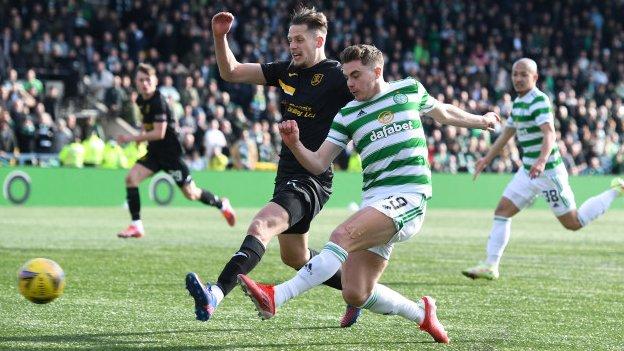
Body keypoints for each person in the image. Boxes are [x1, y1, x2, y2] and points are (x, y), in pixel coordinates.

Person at [236, 44, 500, 344]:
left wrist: (482, 120)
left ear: (377, 71)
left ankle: (276, 296)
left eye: (356, 75)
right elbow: (319, 162)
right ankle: (421, 313)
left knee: (340, 236)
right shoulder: (348, 114)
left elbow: (444, 113)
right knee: (355, 291)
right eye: (347, 76)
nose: (349, 83)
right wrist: (295, 144)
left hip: (409, 195)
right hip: (375, 201)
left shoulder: (408, 90)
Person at [185, 7, 359, 326]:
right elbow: (232, 72)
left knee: (260, 227)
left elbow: (372, 93)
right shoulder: (285, 71)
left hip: (312, 178)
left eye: (299, 40)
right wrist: (220, 36)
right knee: (296, 258)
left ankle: (215, 293)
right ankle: (358, 290)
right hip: (287, 175)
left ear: (319, 40)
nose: (292, 45)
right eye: (289, 39)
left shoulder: (337, 76)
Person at [462, 58, 624, 280]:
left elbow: (549, 133)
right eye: (515, 74)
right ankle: (491, 265)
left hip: (549, 173)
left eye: (523, 74)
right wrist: (486, 159)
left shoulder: (538, 100)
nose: (518, 78)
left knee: (573, 223)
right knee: (502, 212)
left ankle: (615, 189)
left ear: (535, 77)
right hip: (528, 171)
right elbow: (507, 134)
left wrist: (541, 160)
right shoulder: (518, 103)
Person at [116, 63, 236, 238]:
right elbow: (147, 124)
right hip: (155, 154)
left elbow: (159, 132)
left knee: (191, 194)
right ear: (136, 82)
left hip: (171, 156)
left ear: (155, 81)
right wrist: (141, 136)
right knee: (131, 179)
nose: (144, 83)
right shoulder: (141, 100)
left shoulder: (159, 101)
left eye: (148, 80)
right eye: (141, 80)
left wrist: (132, 138)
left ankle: (222, 204)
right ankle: (136, 226)